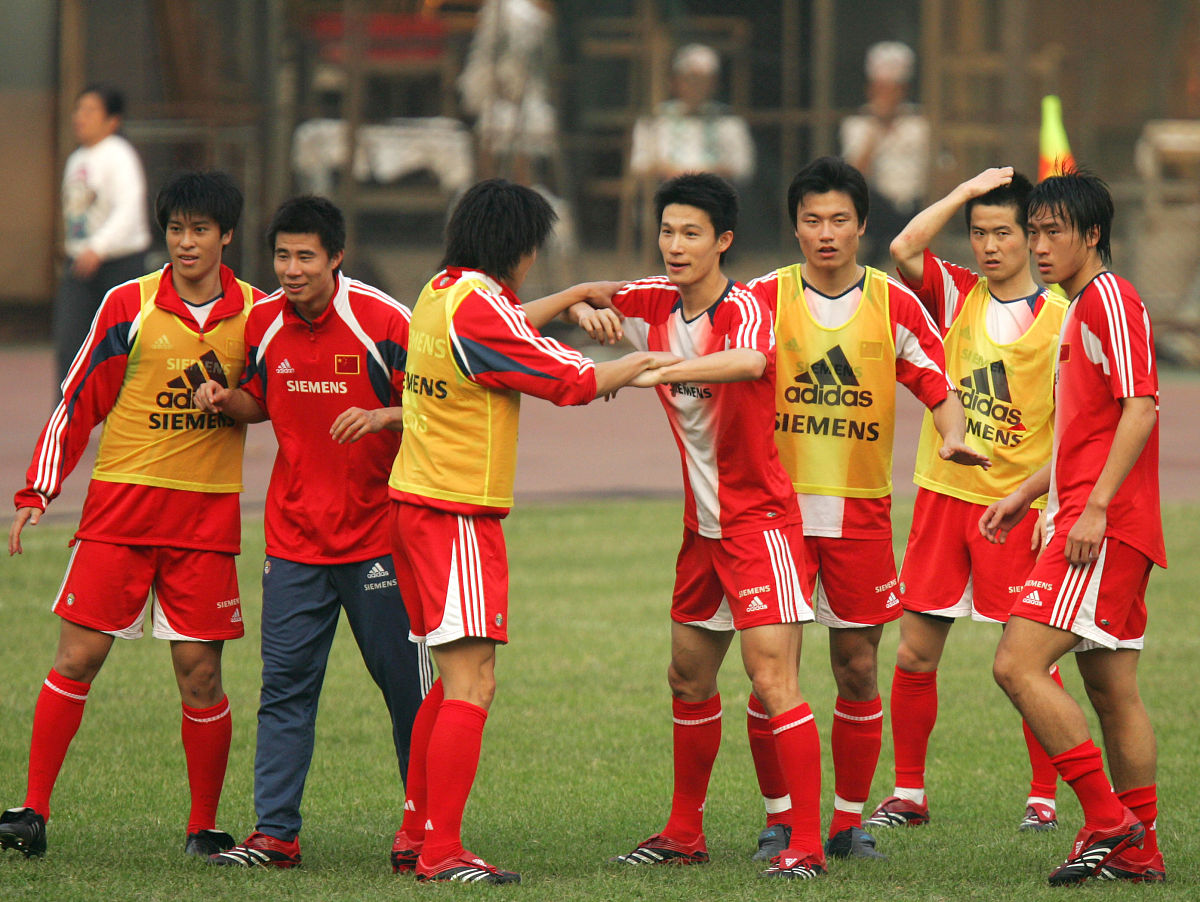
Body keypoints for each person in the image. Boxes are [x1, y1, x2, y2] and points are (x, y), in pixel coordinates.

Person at [386, 178, 675, 884]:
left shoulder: (441, 291)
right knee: (473, 683)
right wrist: (653, 361)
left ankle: (416, 834)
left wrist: (573, 295)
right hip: (455, 514)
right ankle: (442, 852)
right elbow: (570, 380)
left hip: (416, 507)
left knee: (449, 681)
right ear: (519, 249)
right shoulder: (481, 309)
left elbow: (508, 321)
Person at [0, 171, 261, 860]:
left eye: (200, 230)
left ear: (227, 235)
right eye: (175, 230)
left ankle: (203, 828)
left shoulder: (259, 315)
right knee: (77, 657)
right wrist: (37, 491)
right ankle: (31, 811)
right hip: (120, 515)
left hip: (204, 525)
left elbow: (281, 399)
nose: (185, 242)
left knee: (201, 675)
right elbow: (77, 400)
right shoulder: (127, 305)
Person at [747, 156, 987, 863]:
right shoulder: (761, 299)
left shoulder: (893, 303)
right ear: (795, 227)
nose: (826, 233)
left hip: (859, 518)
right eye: (812, 220)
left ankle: (847, 825)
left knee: (856, 668)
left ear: (861, 227)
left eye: (839, 220)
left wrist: (953, 435)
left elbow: (940, 387)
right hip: (777, 518)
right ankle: (782, 821)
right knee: (772, 674)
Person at [191, 196, 430, 869]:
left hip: (380, 540)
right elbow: (260, 399)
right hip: (294, 541)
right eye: (282, 256)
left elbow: (440, 406)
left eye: (305, 256)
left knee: (409, 693)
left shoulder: (385, 321)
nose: (291, 269)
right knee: (284, 689)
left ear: (336, 257)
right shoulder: (262, 321)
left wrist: (382, 415)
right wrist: (228, 401)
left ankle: (424, 831)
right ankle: (274, 835)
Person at [604, 174, 824, 879]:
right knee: (687, 677)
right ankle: (683, 833)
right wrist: (584, 310)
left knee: (773, 680)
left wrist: (657, 369)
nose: (675, 245)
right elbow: (584, 296)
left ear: (722, 241)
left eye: (691, 233)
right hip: (701, 532)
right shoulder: (651, 300)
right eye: (668, 231)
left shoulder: (746, 307)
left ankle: (807, 844)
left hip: (760, 527)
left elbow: (751, 360)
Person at [865, 168, 1070, 834]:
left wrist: (1050, 508)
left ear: (1031, 236)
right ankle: (908, 794)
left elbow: (1074, 432)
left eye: (1002, 232)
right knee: (913, 655)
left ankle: (1043, 798)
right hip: (942, 500)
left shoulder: (1063, 318)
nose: (988, 246)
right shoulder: (956, 293)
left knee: (1029, 661)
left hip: (1016, 511)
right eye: (978, 233)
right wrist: (962, 191)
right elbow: (903, 247)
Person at [983, 168, 1166, 885]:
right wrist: (1029, 493)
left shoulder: (1110, 299)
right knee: (1113, 693)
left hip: (1102, 528)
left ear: (1092, 235)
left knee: (1016, 664)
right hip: (1095, 518)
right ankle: (1141, 852)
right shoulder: (1077, 307)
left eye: (1052, 231)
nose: (1038, 245)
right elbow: (1084, 434)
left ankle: (1107, 819)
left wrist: (1092, 508)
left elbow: (1141, 407)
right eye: (1033, 232)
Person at [55, 83, 152, 389]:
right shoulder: (77, 158)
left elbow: (129, 209)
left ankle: (124, 414)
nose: (80, 116)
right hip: (80, 263)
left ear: (112, 121)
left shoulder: (120, 155)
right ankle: (68, 413)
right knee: (70, 347)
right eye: (78, 109)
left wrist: (98, 247)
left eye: (90, 110)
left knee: (120, 349)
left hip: (119, 264)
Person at [839, 42, 930, 269]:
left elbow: (943, 168)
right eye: (881, 89)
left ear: (903, 90)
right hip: (877, 206)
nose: (886, 96)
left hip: (917, 202)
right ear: (870, 89)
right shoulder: (857, 123)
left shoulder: (920, 122)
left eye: (892, 89)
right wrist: (876, 128)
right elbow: (853, 175)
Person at [629, 44, 755, 184]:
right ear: (675, 81)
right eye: (690, 79)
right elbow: (639, 164)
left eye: (703, 80)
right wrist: (667, 171)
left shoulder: (729, 122)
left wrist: (705, 175)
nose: (696, 86)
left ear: (713, 83)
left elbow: (743, 167)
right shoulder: (654, 120)